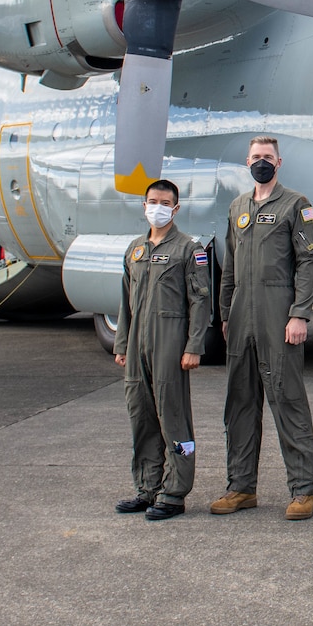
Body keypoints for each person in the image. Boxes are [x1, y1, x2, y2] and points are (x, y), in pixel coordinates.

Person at [213, 137, 313, 520]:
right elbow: (229, 265)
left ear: (280, 162)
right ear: (247, 161)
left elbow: (307, 262)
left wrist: (299, 314)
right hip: (242, 314)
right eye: (256, 158)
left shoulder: (296, 205)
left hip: (279, 312)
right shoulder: (237, 207)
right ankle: (241, 487)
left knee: (287, 399)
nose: (262, 163)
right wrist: (226, 313)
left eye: (268, 158)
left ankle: (302, 490)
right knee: (240, 403)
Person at [112, 180, 211, 521]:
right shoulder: (135, 250)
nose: (158, 207)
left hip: (169, 344)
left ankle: (174, 491)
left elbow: (200, 300)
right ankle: (147, 487)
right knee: (141, 416)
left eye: (165, 202)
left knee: (173, 417)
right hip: (137, 344)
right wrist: (122, 344)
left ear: (176, 208)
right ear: (144, 206)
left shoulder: (189, 249)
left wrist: (194, 345)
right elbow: (126, 303)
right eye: (152, 201)